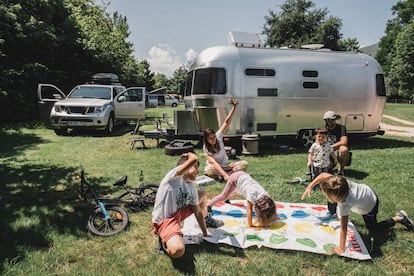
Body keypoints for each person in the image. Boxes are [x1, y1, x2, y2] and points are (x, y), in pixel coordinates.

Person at [301, 173, 413, 255]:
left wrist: (340, 248)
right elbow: (323, 175)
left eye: (326, 194)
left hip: (370, 205)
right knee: (331, 201)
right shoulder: (339, 182)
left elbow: (344, 229)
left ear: (338, 197)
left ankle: (399, 218)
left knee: (373, 228)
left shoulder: (345, 203)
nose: (324, 194)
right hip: (366, 190)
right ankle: (333, 213)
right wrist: (310, 186)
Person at [151, 152, 220, 259]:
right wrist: (189, 154)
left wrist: (205, 233)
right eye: (195, 167)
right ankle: (163, 240)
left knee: (202, 194)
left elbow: (197, 212)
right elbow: (194, 158)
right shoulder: (174, 177)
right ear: (185, 167)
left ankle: (207, 219)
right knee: (178, 251)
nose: (198, 171)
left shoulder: (191, 186)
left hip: (178, 214)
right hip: (165, 221)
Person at [207, 171, 278, 228]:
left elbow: (271, 208)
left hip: (243, 177)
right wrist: (251, 225)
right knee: (224, 196)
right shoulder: (252, 195)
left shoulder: (266, 196)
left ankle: (227, 198)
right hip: (235, 179)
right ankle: (208, 205)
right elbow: (249, 211)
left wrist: (274, 217)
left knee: (237, 191)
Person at [203, 97, 247, 181]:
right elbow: (213, 163)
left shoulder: (218, 135)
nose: (213, 140)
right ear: (206, 140)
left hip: (226, 165)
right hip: (215, 167)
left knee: (244, 164)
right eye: (210, 139)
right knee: (209, 170)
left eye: (213, 137)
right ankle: (228, 174)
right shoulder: (206, 148)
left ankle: (225, 174)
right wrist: (225, 175)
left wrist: (234, 107)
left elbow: (226, 122)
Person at [323, 110, 350, 176]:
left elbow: (344, 141)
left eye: (331, 120)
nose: (329, 122)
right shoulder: (323, 129)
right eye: (327, 120)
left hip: (336, 150)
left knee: (344, 149)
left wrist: (331, 147)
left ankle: (341, 169)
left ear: (335, 120)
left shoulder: (341, 128)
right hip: (326, 151)